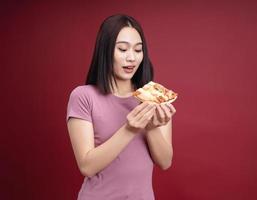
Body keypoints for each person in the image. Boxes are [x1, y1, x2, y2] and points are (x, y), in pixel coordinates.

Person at [66, 14, 176, 200]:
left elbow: (165, 162)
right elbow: (87, 166)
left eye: (138, 50)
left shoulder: (154, 96)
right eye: (122, 49)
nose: (131, 58)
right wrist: (130, 129)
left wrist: (150, 126)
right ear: (106, 51)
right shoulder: (83, 97)